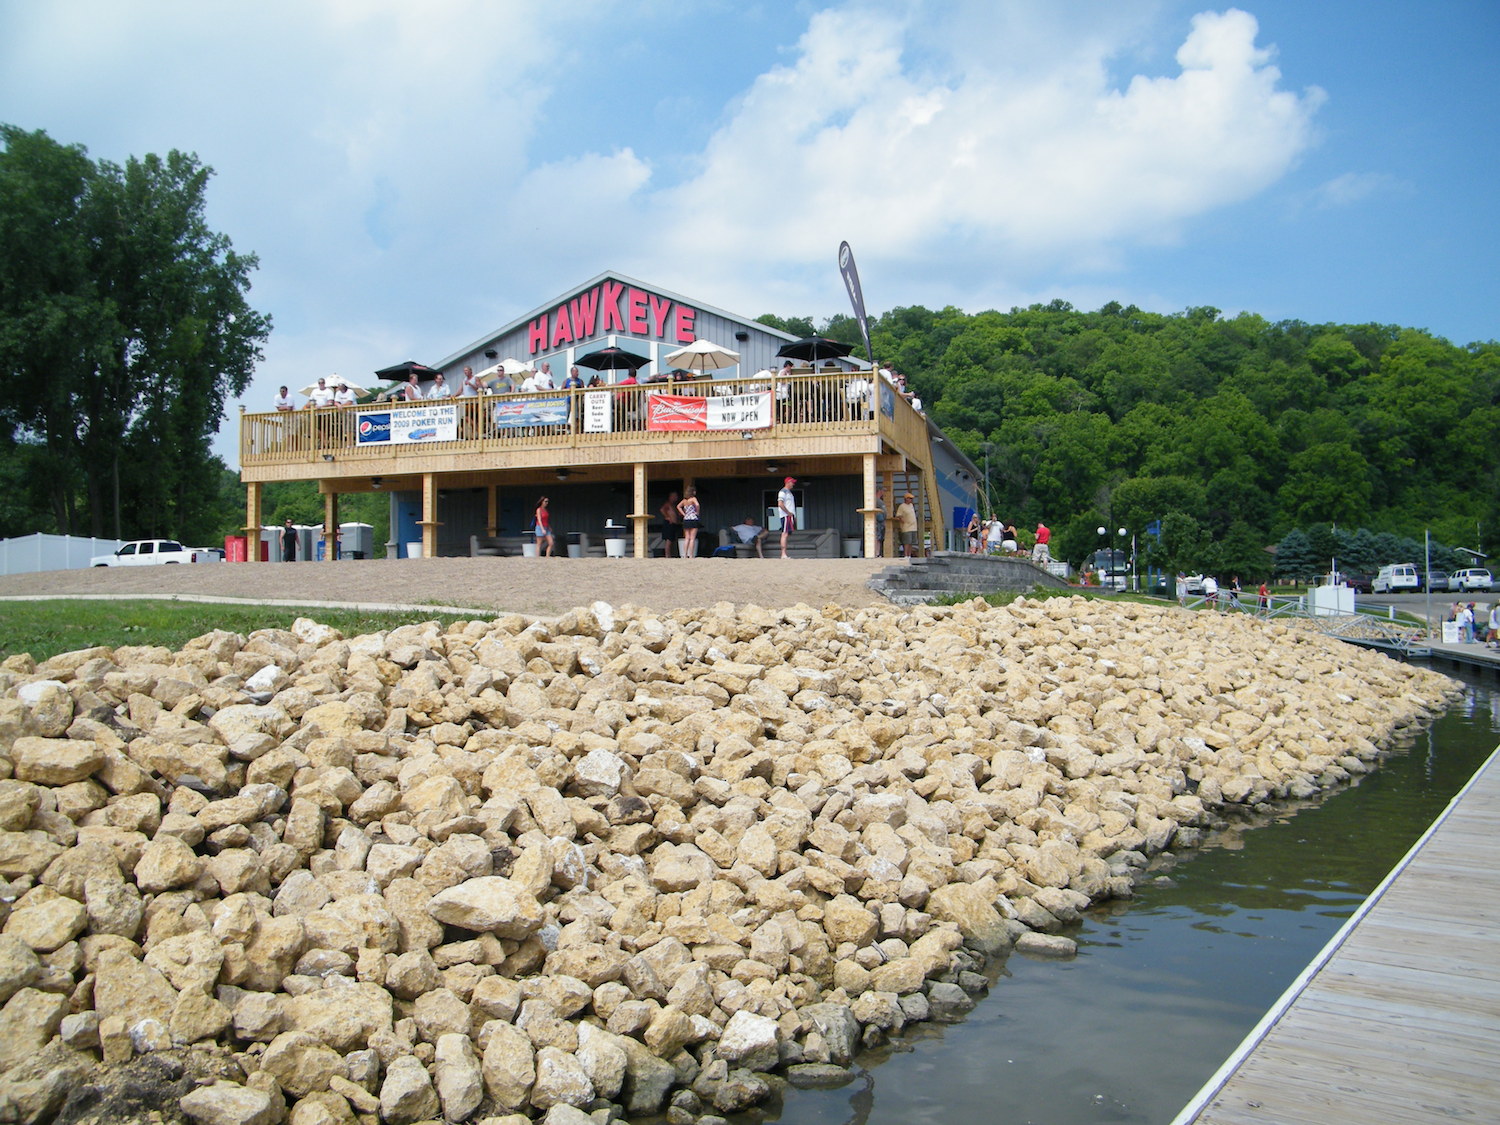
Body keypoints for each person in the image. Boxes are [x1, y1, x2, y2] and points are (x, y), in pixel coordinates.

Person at [676, 487, 702, 559]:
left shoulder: (684, 501)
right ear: (693, 492)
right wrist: (697, 512)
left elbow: (678, 506)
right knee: (692, 538)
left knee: (687, 537)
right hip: (693, 518)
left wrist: (684, 514)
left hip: (686, 518)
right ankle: (691, 555)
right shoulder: (693, 499)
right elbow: (697, 505)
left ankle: (684, 554)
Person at [778, 476, 798, 558]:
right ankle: (783, 554)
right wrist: (788, 513)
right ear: (788, 482)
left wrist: (793, 516)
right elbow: (780, 504)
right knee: (784, 534)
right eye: (792, 482)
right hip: (786, 516)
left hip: (790, 516)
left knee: (787, 534)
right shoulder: (783, 492)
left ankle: (784, 554)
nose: (793, 484)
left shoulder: (789, 493)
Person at [896, 492, 919, 558]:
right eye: (909, 498)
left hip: (913, 527)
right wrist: (902, 520)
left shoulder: (911, 505)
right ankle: (906, 554)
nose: (911, 500)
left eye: (911, 499)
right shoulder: (902, 506)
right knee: (906, 542)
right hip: (906, 527)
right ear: (906, 499)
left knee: (911, 542)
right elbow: (899, 515)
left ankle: (909, 554)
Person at [658, 491, 682, 557]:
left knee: (672, 540)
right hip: (669, 524)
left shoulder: (673, 505)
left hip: (674, 524)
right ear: (670, 497)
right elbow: (662, 509)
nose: (676, 498)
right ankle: (667, 555)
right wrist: (667, 517)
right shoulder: (668, 504)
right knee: (669, 540)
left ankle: (670, 554)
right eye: (674, 496)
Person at [873, 488, 888, 557]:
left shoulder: (879, 501)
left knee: (880, 538)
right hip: (878, 522)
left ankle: (878, 553)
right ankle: (876, 553)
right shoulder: (877, 501)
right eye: (882, 491)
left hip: (881, 522)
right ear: (879, 491)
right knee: (877, 538)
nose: (883, 493)